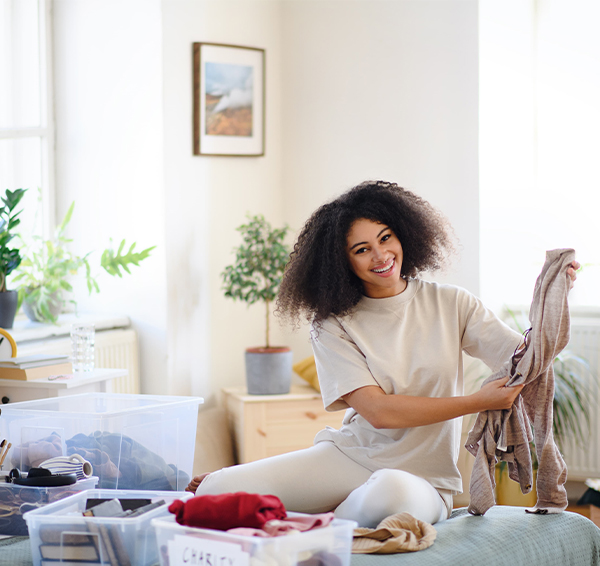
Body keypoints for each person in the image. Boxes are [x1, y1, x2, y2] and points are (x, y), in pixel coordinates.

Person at [187, 180, 579, 528]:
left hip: (423, 480)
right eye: (362, 249)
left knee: (389, 494)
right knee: (218, 487)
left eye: (386, 237)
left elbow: (525, 360)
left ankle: (323, 521)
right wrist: (477, 402)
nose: (381, 256)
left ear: (405, 234)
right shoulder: (332, 324)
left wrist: (556, 296)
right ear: (343, 263)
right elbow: (379, 412)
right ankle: (326, 511)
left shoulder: (452, 303)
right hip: (351, 458)